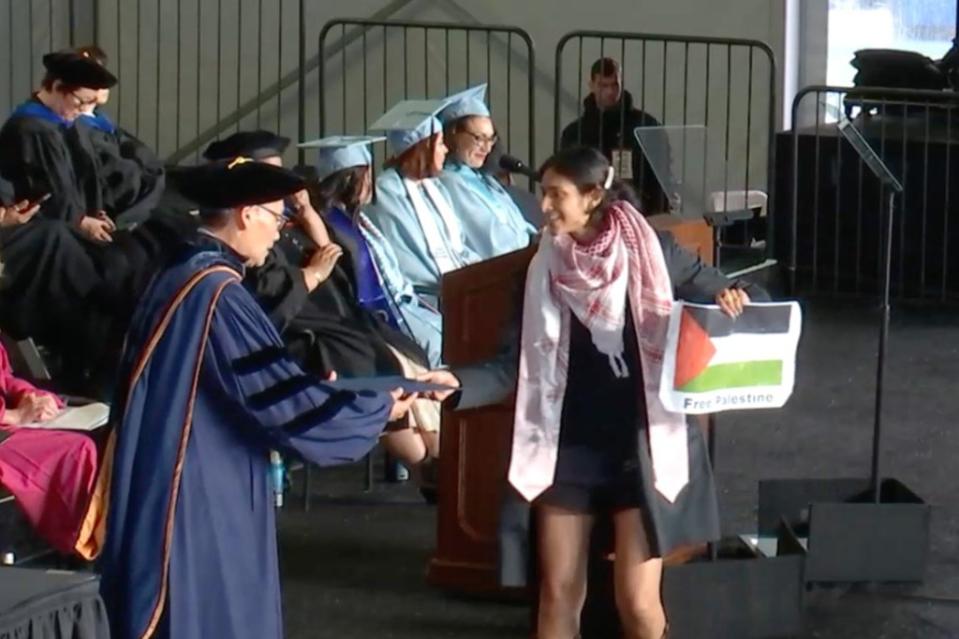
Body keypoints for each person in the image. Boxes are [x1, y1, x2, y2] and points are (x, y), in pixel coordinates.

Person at [419, 147, 765, 639]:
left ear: (593, 196)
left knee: (637, 602)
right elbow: (508, 364)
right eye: (543, 194)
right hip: (566, 448)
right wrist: (456, 384)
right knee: (558, 594)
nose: (544, 207)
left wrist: (738, 297)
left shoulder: (655, 254)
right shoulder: (539, 269)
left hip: (641, 447)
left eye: (556, 194)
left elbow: (734, 290)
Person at [95, 159, 417, 639]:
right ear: (245, 214)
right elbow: (274, 398)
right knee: (211, 605)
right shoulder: (217, 292)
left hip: (178, 457)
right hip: (198, 481)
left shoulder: (185, 272)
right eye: (275, 216)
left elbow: (258, 379)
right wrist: (374, 410)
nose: (278, 231)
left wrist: (318, 390)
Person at [365, 99, 482, 306]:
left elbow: (457, 245)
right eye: (440, 144)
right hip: (426, 298)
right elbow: (407, 256)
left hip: (457, 287)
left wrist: (479, 270)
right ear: (423, 148)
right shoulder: (388, 191)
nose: (446, 150)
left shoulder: (435, 187)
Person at [560, 57, 675, 216]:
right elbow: (567, 178)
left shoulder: (645, 126)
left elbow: (662, 176)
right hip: (590, 215)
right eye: (603, 85)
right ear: (591, 85)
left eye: (615, 85)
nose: (609, 92)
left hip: (639, 213)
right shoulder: (575, 133)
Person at [437, 84, 536, 258]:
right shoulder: (450, 181)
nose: (487, 148)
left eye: (491, 139)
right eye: (479, 138)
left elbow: (518, 224)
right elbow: (492, 242)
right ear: (453, 134)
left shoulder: (483, 178)